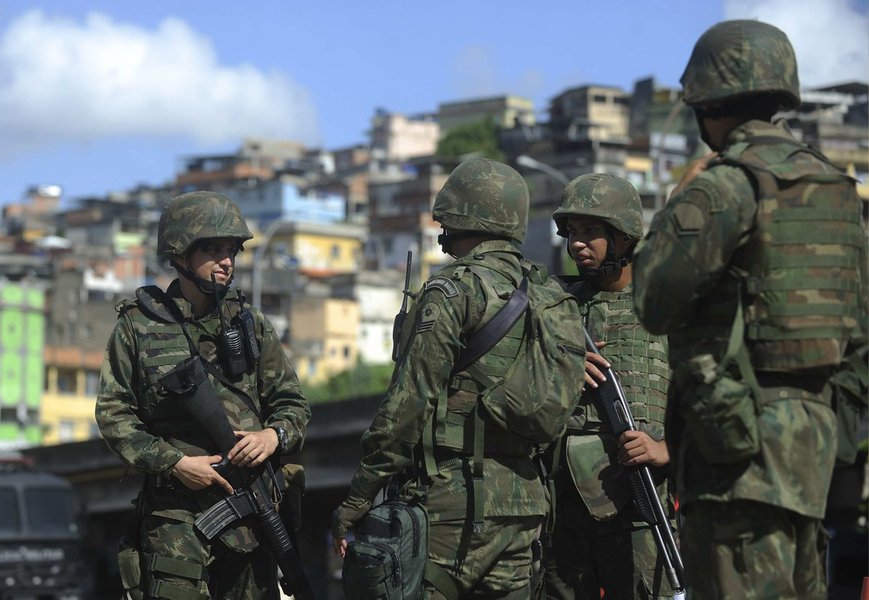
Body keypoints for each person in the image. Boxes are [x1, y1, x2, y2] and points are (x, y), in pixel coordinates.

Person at [632, 20, 867, 599]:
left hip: (736, 451)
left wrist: (680, 200)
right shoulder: (837, 191)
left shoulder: (726, 186)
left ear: (707, 102)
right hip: (815, 448)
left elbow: (651, 300)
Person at [332, 157, 584, 599]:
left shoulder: (452, 291)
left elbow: (408, 404)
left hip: (452, 504)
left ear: (464, 216)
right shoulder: (552, 298)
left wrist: (358, 498)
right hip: (526, 506)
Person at [96, 191, 311, 599]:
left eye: (231, 250)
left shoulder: (251, 324)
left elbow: (292, 404)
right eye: (212, 248)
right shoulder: (138, 326)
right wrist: (175, 463)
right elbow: (113, 414)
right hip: (176, 518)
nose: (226, 260)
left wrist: (272, 436)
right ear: (180, 254)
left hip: (253, 510)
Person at [542, 173, 677, 599]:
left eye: (592, 232)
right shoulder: (553, 307)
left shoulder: (668, 308)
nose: (577, 243)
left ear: (623, 237)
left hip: (641, 503)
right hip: (562, 506)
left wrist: (667, 448)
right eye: (571, 233)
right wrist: (557, 362)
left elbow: (714, 398)